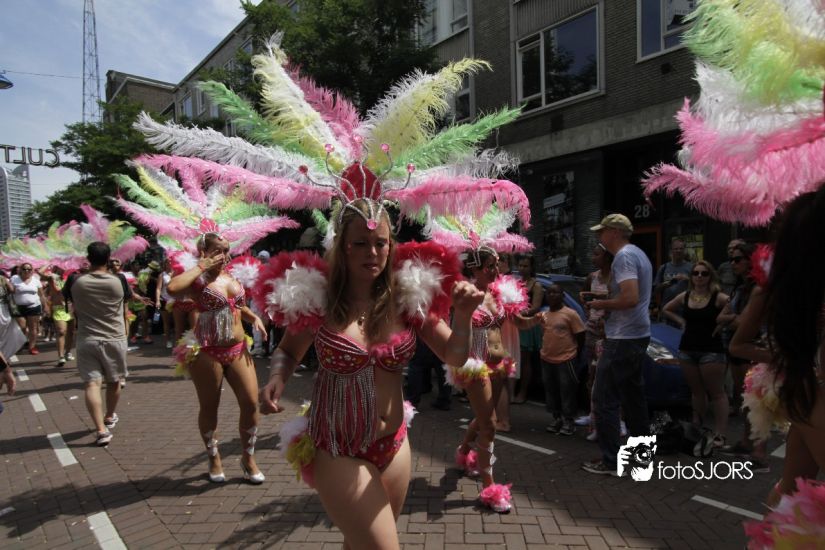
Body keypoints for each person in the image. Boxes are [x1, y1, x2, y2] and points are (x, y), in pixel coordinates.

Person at [259, 199, 483, 545]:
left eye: (381, 243)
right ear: (341, 246)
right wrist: (277, 377)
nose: (373, 252)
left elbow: (454, 355)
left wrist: (464, 316)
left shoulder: (407, 298)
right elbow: (288, 351)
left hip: (394, 445)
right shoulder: (319, 300)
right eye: (360, 243)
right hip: (338, 448)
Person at [729, 187, 825, 503]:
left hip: (806, 385)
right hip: (807, 386)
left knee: (791, 490)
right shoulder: (777, 289)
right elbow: (738, 345)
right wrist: (789, 358)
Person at [168, 232, 269, 484]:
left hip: (237, 349)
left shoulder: (231, 276)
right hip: (206, 351)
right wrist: (201, 266)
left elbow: (237, 307)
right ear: (203, 252)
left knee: (250, 403)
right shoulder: (197, 279)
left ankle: (248, 458)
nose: (224, 255)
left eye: (226, 250)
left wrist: (253, 317)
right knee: (210, 407)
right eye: (217, 250)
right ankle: (213, 457)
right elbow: (172, 288)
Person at [450, 248, 535, 511]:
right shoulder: (465, 296)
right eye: (489, 266)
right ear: (474, 268)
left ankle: (464, 452)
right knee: (489, 425)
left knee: (484, 417)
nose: (496, 271)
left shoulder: (497, 294)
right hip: (476, 368)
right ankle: (490, 488)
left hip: (499, 365)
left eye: (497, 265)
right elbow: (455, 333)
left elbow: (518, 322)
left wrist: (536, 320)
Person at [582, 214, 653, 476]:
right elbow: (632, 296)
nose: (599, 236)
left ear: (614, 232)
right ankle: (641, 459)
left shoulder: (623, 257)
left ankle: (611, 461)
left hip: (623, 337)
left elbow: (630, 298)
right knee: (634, 399)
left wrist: (600, 304)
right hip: (637, 334)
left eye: (602, 231)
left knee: (604, 399)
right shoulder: (638, 254)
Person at [69, 242, 132, 446]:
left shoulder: (77, 282)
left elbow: (72, 304)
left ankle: (101, 430)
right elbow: (126, 302)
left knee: (91, 384)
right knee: (114, 381)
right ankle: (110, 415)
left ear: (88, 258)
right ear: (108, 258)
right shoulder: (117, 281)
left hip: (87, 338)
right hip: (114, 337)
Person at [662, 260, 729, 446]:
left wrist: (723, 323)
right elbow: (666, 309)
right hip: (687, 349)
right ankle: (696, 429)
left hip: (711, 350)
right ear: (691, 276)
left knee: (717, 393)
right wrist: (681, 321)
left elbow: (737, 308)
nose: (699, 276)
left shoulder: (718, 297)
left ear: (710, 276)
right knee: (697, 392)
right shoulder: (686, 295)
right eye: (696, 273)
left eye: (704, 273)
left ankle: (720, 434)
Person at [539, 283, 586, 436]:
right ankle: (557, 418)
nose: (552, 295)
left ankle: (568, 420)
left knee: (567, 390)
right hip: (547, 358)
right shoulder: (544, 315)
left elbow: (580, 334)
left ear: (562, 296)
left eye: (556, 293)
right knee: (551, 391)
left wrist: (576, 353)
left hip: (566, 359)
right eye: (549, 293)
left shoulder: (570, 314)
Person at [579, 243, 613, 441]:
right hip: (593, 330)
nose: (593, 258)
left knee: (610, 377)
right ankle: (592, 415)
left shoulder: (616, 278)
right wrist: (587, 308)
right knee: (592, 374)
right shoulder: (592, 277)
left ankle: (618, 420)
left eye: (596, 254)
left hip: (609, 332)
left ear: (607, 257)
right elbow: (583, 295)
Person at [513, 255, 543, 404]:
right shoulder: (516, 283)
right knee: (513, 358)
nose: (522, 268)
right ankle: (512, 390)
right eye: (520, 265)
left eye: (525, 266)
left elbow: (536, 307)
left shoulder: (536, 285)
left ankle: (523, 392)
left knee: (525, 360)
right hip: (515, 324)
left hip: (527, 325)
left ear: (531, 267)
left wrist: (520, 313)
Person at [11, 262, 48, 354]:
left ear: (32, 270)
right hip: (18, 307)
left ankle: (32, 347)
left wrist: (45, 306)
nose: (26, 270)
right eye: (24, 269)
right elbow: (10, 291)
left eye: (29, 269)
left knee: (33, 328)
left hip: (33, 307)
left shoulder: (36, 280)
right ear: (20, 270)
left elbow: (41, 295)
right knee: (22, 327)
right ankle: (20, 345)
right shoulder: (15, 278)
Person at [44, 266, 76, 367]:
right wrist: (46, 263)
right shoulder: (52, 278)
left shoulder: (72, 277)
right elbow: (41, 273)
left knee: (71, 332)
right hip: (59, 308)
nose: (63, 269)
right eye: (61, 267)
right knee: (61, 331)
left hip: (71, 307)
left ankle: (68, 353)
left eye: (65, 267)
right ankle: (61, 356)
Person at [654, 238, 691, 322]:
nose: (678, 251)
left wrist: (688, 279)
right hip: (666, 311)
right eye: (676, 249)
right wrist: (665, 284)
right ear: (671, 251)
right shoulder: (663, 268)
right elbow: (656, 290)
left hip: (685, 311)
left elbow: (699, 287)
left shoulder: (691, 267)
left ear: (685, 250)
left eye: (681, 248)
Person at [0, 271, 26, 370]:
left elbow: (12, 290)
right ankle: (3, 360)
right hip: (3, 311)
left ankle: (4, 357)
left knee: (6, 335)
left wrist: (6, 282)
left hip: (5, 310)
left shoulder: (3, 279)